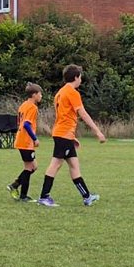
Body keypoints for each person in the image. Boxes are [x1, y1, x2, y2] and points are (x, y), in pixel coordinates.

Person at [36, 64, 106, 207]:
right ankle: (44, 197)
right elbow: (83, 114)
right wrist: (97, 131)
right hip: (63, 134)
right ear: (75, 77)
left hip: (63, 134)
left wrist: (71, 136)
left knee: (74, 165)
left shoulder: (60, 93)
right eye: (80, 77)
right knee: (55, 164)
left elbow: (64, 116)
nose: (81, 80)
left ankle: (87, 197)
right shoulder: (72, 92)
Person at [7, 83, 42, 202]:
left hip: (21, 139)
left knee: (33, 167)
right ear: (34, 95)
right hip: (26, 141)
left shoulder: (23, 105)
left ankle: (16, 185)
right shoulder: (32, 107)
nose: (41, 96)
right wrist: (34, 138)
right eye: (39, 94)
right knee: (29, 168)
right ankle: (22, 194)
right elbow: (26, 124)